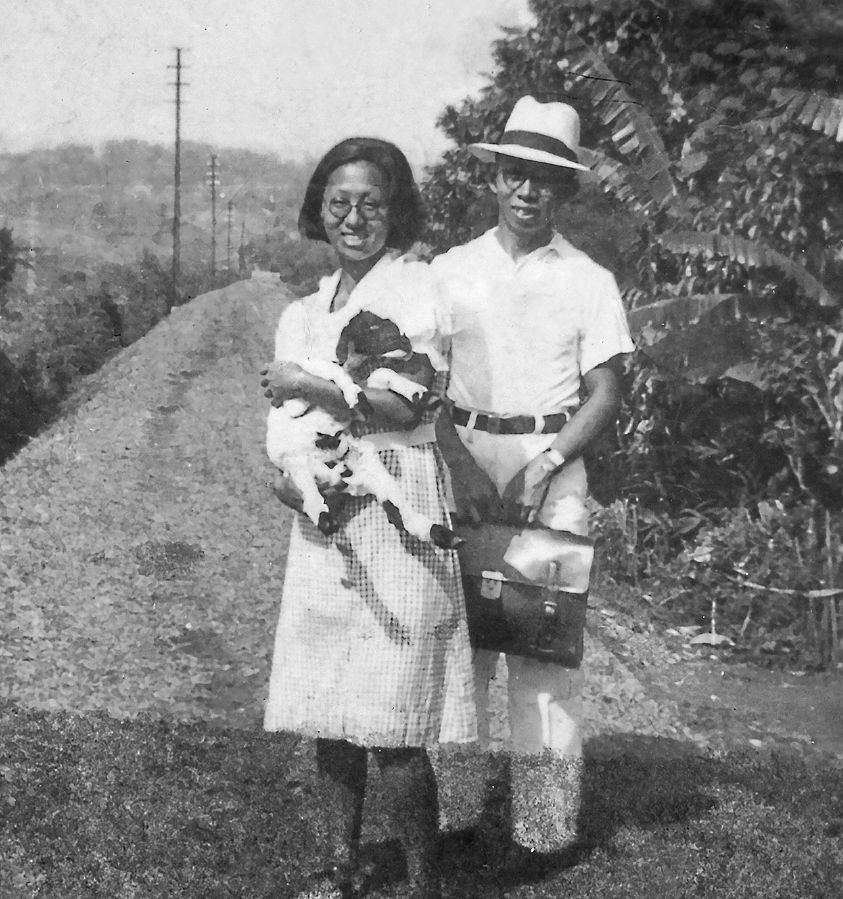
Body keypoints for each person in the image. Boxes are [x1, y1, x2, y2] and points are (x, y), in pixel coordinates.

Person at [261, 137, 476, 899]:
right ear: (320, 209)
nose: (354, 218)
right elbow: (283, 426)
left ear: (397, 212)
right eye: (339, 203)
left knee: (393, 706)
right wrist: (292, 480)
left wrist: (308, 388)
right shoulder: (301, 313)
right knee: (328, 698)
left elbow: (402, 402)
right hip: (325, 506)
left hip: (400, 497)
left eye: (371, 204)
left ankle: (424, 882)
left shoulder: (419, 292)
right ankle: (339, 867)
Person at [432, 96, 635, 864]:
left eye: (544, 180)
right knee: (459, 653)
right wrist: (457, 462)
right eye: (515, 173)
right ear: (494, 178)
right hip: (461, 469)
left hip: (552, 476)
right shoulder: (450, 272)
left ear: (565, 191)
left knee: (542, 656)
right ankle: (452, 818)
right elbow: (426, 385)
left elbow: (606, 391)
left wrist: (544, 465)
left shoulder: (589, 280)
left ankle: (543, 833)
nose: (526, 191)